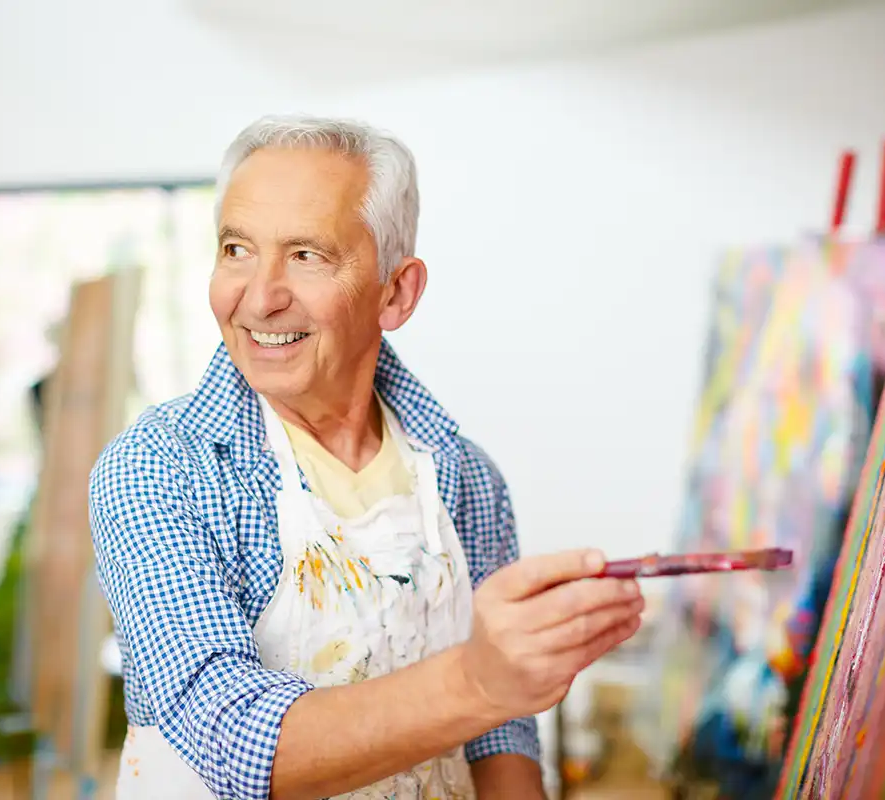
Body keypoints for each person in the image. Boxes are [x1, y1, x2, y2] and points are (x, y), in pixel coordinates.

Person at [89, 115, 645, 800]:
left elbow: (500, 737)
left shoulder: (464, 476)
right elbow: (229, 741)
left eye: (307, 256)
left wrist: (505, 684)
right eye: (236, 249)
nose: (259, 297)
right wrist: (478, 678)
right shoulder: (162, 469)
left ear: (396, 292)